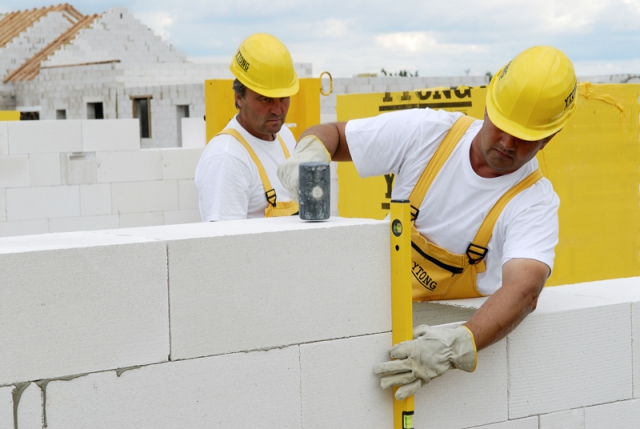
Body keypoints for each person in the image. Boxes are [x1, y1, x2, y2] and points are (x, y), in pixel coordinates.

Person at [277, 46, 577, 399]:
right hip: (368, 312)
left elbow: (524, 290)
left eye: (525, 138)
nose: (507, 143)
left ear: (549, 138)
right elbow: (335, 135)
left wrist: (457, 344)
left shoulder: (533, 201)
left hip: (433, 348)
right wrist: (311, 151)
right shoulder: (430, 135)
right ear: (487, 107)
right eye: (502, 127)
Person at [195, 33, 299, 221]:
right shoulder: (227, 158)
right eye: (265, 99)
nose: (277, 110)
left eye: (283, 98)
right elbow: (227, 244)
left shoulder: (286, 137)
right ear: (239, 98)